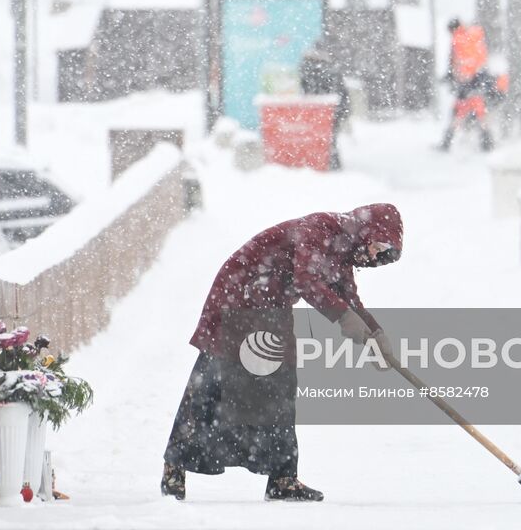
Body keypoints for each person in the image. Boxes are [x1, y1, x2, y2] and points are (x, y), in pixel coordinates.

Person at [162, 203, 403, 503]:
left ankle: (282, 479)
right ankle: (174, 469)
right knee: (213, 378)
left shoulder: (341, 254)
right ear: (368, 232)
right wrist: (342, 318)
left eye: (382, 253)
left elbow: (349, 298)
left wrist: (376, 335)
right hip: (241, 292)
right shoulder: (320, 229)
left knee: (280, 383)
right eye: (378, 246)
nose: (374, 255)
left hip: (271, 303)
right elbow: (306, 279)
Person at [436, 18, 494, 152]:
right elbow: (480, 56)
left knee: (459, 111)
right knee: (479, 111)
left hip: (468, 81)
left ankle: (447, 141)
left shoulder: (458, 39)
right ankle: (487, 142)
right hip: (480, 78)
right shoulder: (474, 33)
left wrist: (456, 77)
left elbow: (459, 62)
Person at [300, 41, 349, 170]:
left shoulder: (308, 67)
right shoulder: (330, 68)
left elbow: (306, 89)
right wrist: (344, 110)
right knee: (330, 139)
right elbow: (342, 92)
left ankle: (319, 163)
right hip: (331, 109)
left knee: (322, 139)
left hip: (319, 110)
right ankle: (331, 164)